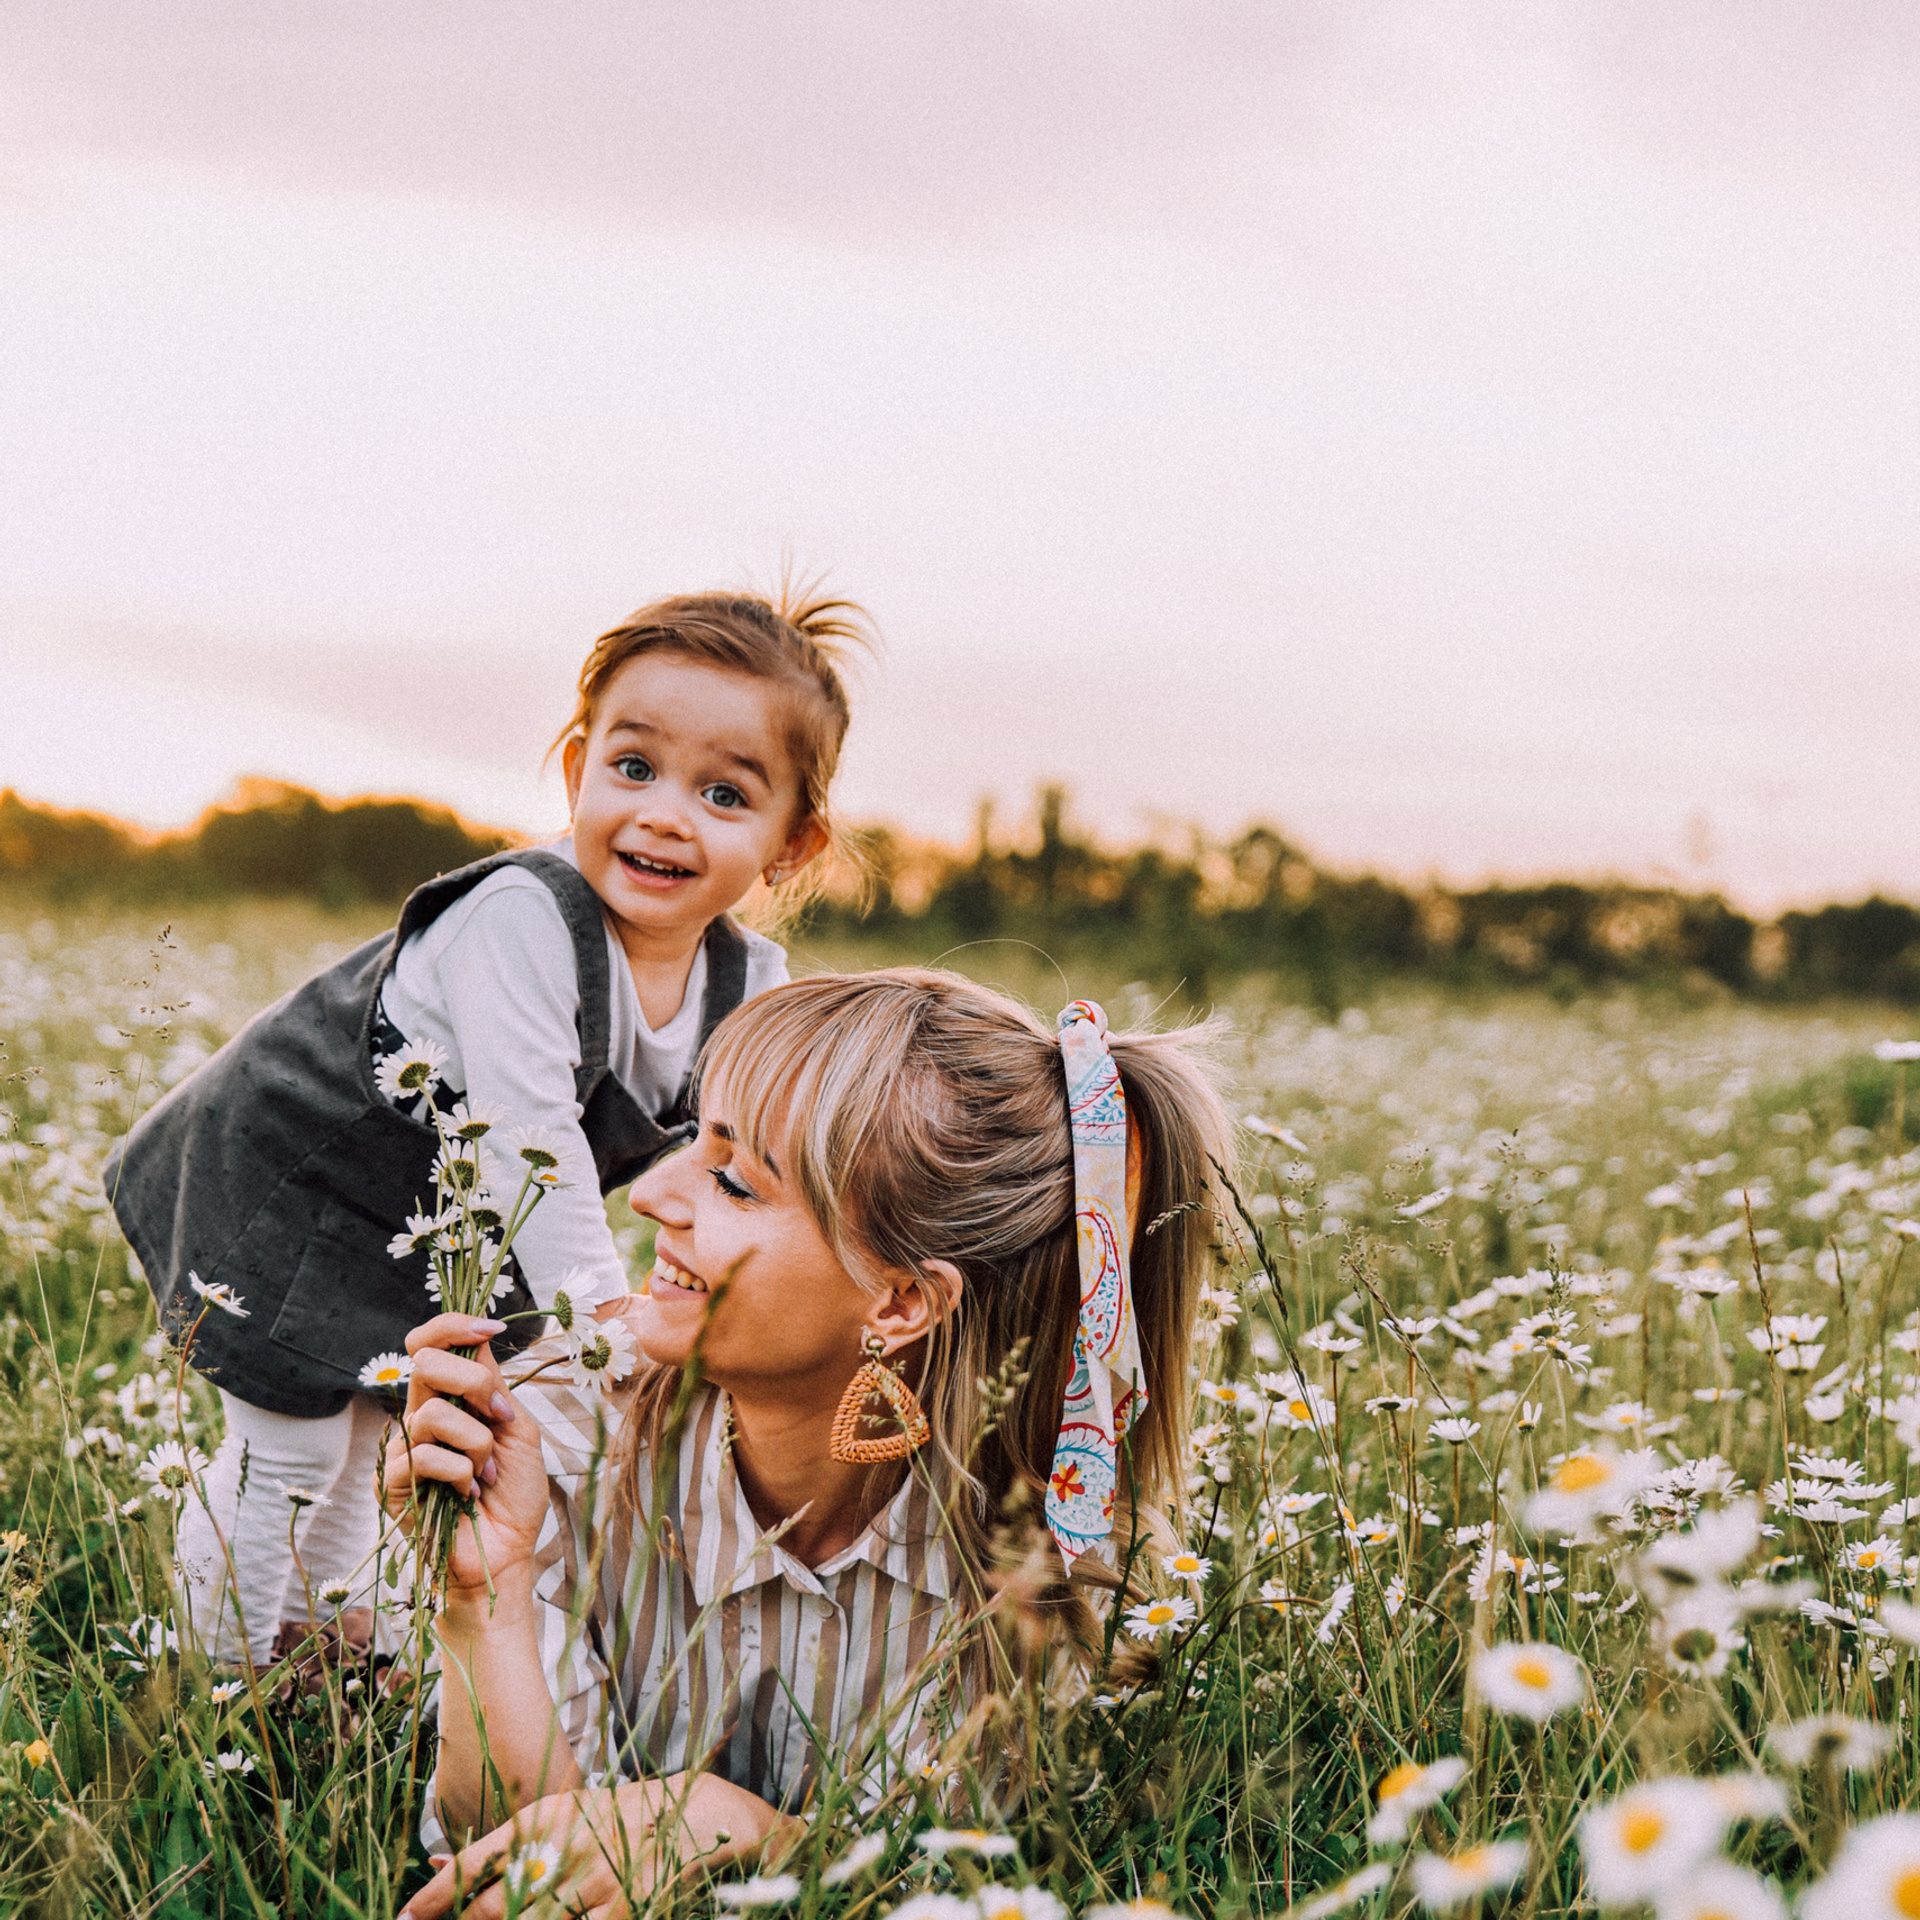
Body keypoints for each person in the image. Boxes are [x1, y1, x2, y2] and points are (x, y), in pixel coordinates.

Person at [105, 590, 865, 1667]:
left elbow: (752, 1156)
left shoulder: (750, 981)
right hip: (300, 1175)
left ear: (793, 842)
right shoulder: (523, 917)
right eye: (633, 767)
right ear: (576, 770)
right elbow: (529, 1140)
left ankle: (319, 1655)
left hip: (448, 1224)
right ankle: (214, 1684)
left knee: (384, 1434)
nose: (661, 812)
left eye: (724, 793)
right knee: (288, 1447)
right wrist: (608, 1333)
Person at [384, 970, 1234, 1919]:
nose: (650, 1193)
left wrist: (745, 1826)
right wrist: (484, 1600)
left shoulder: (1034, 1558)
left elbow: (946, 1884)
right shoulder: (561, 1420)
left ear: (903, 1300)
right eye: (690, 1139)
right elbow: (510, 1867)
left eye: (735, 1182)